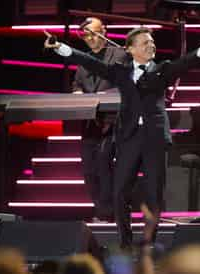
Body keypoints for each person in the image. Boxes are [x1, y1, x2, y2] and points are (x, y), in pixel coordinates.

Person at [44, 27, 200, 249]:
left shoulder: (162, 69)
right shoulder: (120, 71)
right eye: (145, 43)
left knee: (154, 193)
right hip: (129, 138)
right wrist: (60, 47)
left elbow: (183, 63)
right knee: (119, 193)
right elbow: (90, 62)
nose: (151, 45)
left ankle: (149, 243)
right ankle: (125, 242)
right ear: (130, 49)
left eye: (152, 42)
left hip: (154, 139)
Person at [69, 17, 128, 222]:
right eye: (86, 34)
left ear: (104, 31)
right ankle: (101, 210)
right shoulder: (83, 61)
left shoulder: (118, 54)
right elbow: (77, 84)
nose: (90, 38)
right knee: (88, 169)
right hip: (90, 123)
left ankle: (109, 212)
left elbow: (125, 81)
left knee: (103, 162)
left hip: (113, 122)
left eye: (94, 33)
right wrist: (77, 92)